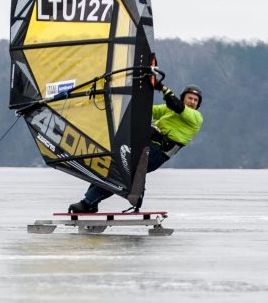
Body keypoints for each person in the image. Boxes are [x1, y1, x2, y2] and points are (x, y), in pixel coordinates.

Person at [68, 82, 203, 213]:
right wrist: (124, 100)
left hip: (157, 154)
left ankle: (88, 202)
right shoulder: (168, 110)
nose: (192, 102)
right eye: (190, 98)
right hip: (145, 147)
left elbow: (177, 106)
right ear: (183, 98)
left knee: (120, 172)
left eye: (195, 100)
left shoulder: (196, 117)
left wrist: (162, 88)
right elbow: (145, 111)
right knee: (111, 167)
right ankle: (90, 202)